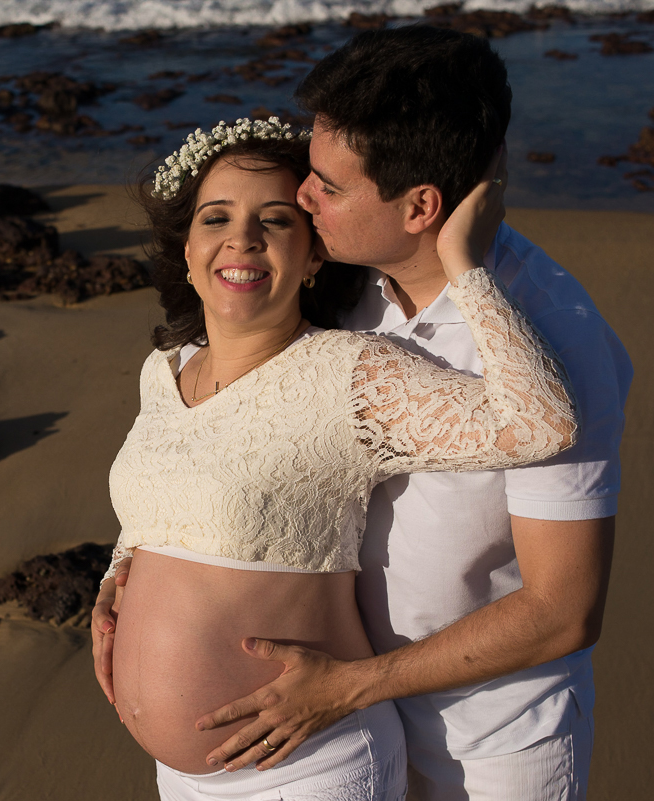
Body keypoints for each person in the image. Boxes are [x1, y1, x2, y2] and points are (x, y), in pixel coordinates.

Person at [95, 26, 632, 801]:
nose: (304, 200)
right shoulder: (351, 290)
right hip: (331, 702)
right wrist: (130, 569)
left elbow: (562, 611)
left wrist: (352, 684)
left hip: (492, 735)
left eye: (326, 188)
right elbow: (225, 447)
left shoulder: (555, 340)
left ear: (420, 207)